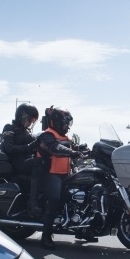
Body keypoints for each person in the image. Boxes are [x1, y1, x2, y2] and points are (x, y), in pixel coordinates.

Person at [35, 106, 80, 250]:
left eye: (69, 123)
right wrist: (72, 152)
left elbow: (69, 152)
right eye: (65, 123)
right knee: (54, 199)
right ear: (57, 121)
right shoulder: (46, 135)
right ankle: (46, 236)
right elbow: (56, 148)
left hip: (64, 174)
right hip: (50, 173)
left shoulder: (65, 137)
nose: (67, 126)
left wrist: (82, 151)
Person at [2, 104, 41, 209]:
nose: (31, 122)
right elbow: (9, 148)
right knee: (38, 163)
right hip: (16, 162)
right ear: (22, 116)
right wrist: (29, 147)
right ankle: (32, 202)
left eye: (33, 120)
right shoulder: (9, 127)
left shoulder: (26, 131)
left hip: (26, 160)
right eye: (30, 119)